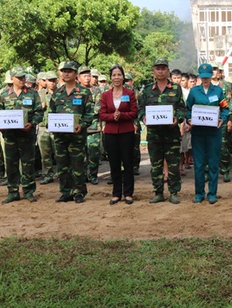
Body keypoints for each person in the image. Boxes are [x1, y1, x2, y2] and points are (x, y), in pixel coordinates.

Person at [138, 58, 187, 204]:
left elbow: (182, 108)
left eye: (163, 68)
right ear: (154, 70)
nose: (160, 71)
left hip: (171, 133)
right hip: (154, 134)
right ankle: (158, 192)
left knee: (173, 164)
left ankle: (173, 192)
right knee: (156, 165)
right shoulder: (146, 90)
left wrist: (177, 119)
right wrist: (143, 118)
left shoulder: (176, 89)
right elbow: (140, 108)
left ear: (168, 70)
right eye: (157, 68)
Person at [0, 66, 44, 203]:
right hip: (10, 136)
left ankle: (28, 191)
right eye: (19, 77)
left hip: (26, 135)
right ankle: (13, 191)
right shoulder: (4, 94)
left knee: (28, 164)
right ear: (12, 79)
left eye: (23, 77)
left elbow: (39, 112)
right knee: (11, 164)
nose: (22, 79)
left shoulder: (33, 93)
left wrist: (32, 123)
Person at [49, 61, 95, 203]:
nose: (66, 73)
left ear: (75, 74)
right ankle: (66, 192)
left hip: (77, 136)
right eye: (64, 71)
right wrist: (50, 124)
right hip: (60, 136)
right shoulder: (57, 93)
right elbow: (51, 113)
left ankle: (79, 192)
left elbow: (89, 114)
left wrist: (81, 125)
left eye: (69, 71)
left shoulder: (84, 92)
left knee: (77, 164)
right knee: (62, 165)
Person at [185, 63, 229, 204]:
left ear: (211, 76)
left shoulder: (218, 91)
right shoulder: (194, 91)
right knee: (199, 164)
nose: (205, 80)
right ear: (199, 77)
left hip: (214, 132)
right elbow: (187, 109)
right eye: (203, 77)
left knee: (213, 163)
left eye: (207, 77)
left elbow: (225, 108)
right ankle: (199, 193)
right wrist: (189, 119)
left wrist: (222, 119)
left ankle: (212, 193)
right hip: (198, 132)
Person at [99, 64, 138, 205]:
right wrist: (112, 117)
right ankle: (116, 193)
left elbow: (134, 112)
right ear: (111, 77)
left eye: (119, 75)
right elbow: (102, 114)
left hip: (126, 132)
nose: (116, 77)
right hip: (110, 133)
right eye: (114, 75)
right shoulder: (105, 95)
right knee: (114, 163)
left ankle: (128, 193)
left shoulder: (130, 94)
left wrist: (121, 115)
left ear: (123, 77)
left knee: (127, 163)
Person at [78, 66, 102, 185]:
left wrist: (84, 112)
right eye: (84, 76)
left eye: (89, 76)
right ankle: (82, 175)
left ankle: (93, 175)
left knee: (94, 153)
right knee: (80, 154)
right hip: (78, 128)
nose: (87, 78)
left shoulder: (96, 91)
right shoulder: (75, 91)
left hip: (93, 127)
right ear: (78, 78)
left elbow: (99, 107)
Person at [38, 71, 58, 185]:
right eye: (49, 80)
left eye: (53, 80)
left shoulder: (61, 93)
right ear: (45, 81)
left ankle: (61, 173)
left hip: (58, 128)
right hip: (43, 128)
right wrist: (41, 106)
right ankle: (47, 174)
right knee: (45, 154)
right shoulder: (40, 94)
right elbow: (34, 108)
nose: (52, 83)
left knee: (59, 152)